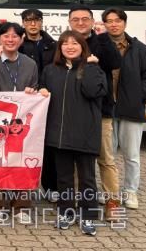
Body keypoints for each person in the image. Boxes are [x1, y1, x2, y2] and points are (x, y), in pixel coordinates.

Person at [41, 30, 107, 236]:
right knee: (64, 179)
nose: (70, 47)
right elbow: (42, 92)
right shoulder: (50, 70)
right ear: (59, 48)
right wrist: (40, 90)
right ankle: (66, 213)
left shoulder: (94, 69)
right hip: (59, 135)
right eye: (65, 43)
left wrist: (91, 66)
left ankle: (88, 216)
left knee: (87, 179)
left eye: (75, 43)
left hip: (85, 134)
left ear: (83, 47)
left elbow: (92, 91)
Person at [0, 22, 39, 224]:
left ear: (22, 39)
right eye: (6, 36)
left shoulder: (29, 63)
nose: (10, 40)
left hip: (20, 121)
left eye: (15, 36)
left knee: (22, 160)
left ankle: (21, 206)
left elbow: (35, 87)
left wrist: (32, 92)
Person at [68, 5, 122, 215]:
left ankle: (112, 203)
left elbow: (115, 62)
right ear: (69, 22)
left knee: (106, 159)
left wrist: (105, 37)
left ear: (92, 21)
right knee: (73, 161)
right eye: (75, 19)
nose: (80, 23)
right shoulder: (65, 43)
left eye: (85, 19)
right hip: (74, 112)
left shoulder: (102, 41)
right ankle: (73, 202)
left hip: (101, 111)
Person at [101, 8, 146, 210]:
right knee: (107, 156)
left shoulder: (140, 49)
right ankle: (110, 192)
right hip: (106, 109)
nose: (113, 24)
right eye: (109, 21)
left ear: (124, 23)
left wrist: (141, 97)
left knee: (131, 155)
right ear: (104, 24)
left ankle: (130, 191)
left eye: (117, 20)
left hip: (131, 109)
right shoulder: (99, 46)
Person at [18, 8, 58, 202]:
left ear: (42, 22)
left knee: (49, 146)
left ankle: (50, 187)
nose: (32, 24)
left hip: (47, 100)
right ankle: (21, 186)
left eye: (36, 20)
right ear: (23, 23)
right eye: (28, 20)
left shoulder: (54, 45)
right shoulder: (18, 44)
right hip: (25, 101)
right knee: (22, 143)